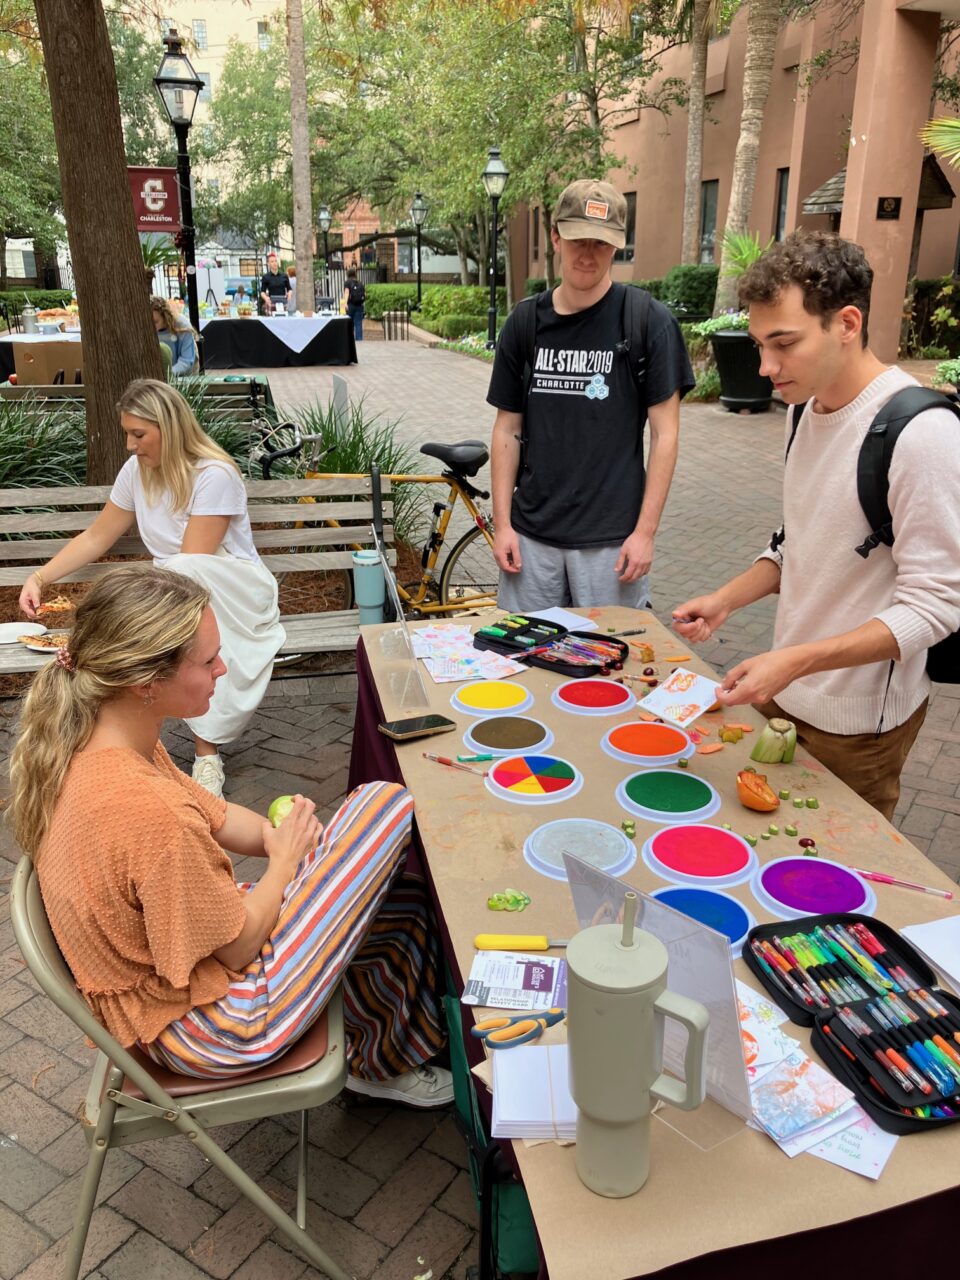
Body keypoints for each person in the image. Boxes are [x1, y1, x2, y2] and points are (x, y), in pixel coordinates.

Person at [8, 565, 451, 1104]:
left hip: (188, 981)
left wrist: (275, 838)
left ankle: (381, 1060)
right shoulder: (148, 814)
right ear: (146, 680)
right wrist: (287, 863)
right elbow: (238, 948)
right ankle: (378, 1059)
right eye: (208, 659)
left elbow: (216, 815)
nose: (223, 668)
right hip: (214, 1028)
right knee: (382, 804)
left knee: (398, 902)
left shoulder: (107, 740)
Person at [673, 230, 960, 820]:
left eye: (783, 343)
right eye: (758, 344)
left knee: (839, 886)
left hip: (861, 725)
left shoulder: (923, 434)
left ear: (847, 324)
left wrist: (795, 659)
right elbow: (798, 539)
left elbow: (936, 606)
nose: (765, 367)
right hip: (784, 693)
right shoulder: (803, 408)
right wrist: (728, 599)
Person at [19, 378, 285, 798]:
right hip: (177, 584)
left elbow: (194, 561)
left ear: (170, 428)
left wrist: (137, 604)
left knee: (169, 619)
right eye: (127, 433)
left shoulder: (214, 475)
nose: (129, 444)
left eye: (138, 434)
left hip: (231, 589)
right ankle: (123, 744)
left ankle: (206, 756)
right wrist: (39, 577)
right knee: (142, 631)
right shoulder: (136, 471)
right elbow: (97, 537)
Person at [487, 179, 694, 612]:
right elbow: (507, 429)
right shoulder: (525, 323)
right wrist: (502, 525)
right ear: (556, 237)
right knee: (525, 662)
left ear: (616, 246)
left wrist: (645, 533)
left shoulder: (647, 322)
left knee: (611, 667)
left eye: (601, 243)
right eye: (579, 239)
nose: (588, 254)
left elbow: (666, 436)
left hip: (611, 544)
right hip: (531, 540)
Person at [150, 296, 198, 377]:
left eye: (155, 322)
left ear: (165, 316)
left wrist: (168, 374)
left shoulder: (182, 326)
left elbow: (187, 360)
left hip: (184, 375)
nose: (151, 326)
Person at [343, 269, 366, 341]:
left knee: (349, 323)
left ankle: (349, 340)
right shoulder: (360, 282)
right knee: (358, 323)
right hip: (359, 305)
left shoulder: (347, 282)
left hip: (350, 305)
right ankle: (359, 341)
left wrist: (345, 303)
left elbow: (347, 292)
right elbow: (365, 294)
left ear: (348, 274)